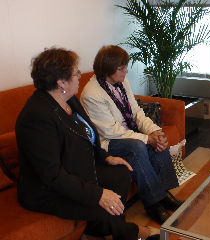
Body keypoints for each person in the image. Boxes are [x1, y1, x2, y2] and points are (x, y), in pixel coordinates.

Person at [15, 47, 159, 240]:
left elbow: (87, 137)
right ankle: (130, 232)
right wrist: (98, 195)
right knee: (104, 207)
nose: (80, 77)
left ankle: (101, 226)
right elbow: (52, 175)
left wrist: (105, 157)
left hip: (76, 169)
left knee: (122, 173)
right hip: (47, 190)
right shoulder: (36, 117)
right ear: (61, 82)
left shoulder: (69, 100)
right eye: (76, 73)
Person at [80, 45, 183, 224]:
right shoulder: (92, 93)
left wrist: (154, 132)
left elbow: (137, 113)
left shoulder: (122, 83)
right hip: (107, 142)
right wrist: (146, 139)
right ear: (108, 68)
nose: (126, 71)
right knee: (137, 147)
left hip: (127, 132)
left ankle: (163, 193)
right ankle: (153, 204)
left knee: (159, 137)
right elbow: (110, 131)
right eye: (122, 68)